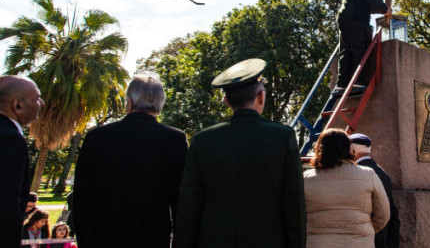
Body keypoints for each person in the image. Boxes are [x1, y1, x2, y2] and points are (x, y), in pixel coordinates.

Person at [173, 59, 306, 248]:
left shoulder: (203, 141)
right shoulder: (282, 137)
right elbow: (294, 207)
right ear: (261, 97)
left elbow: (188, 208)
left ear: (227, 101)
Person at [73, 77, 188, 248]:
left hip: (101, 235)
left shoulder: (97, 137)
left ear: (129, 102)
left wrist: (83, 238)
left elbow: (81, 196)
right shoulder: (175, 140)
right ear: (160, 104)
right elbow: (180, 198)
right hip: (152, 236)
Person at [304, 129, 390, 247]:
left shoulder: (305, 179)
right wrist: (364, 230)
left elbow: (296, 216)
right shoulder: (368, 175)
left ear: (319, 149)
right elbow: (383, 215)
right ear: (349, 148)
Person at [336, 0, 392, 91]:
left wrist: (378, 9)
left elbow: (364, 2)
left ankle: (341, 84)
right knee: (361, 49)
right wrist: (385, 9)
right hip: (357, 18)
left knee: (346, 51)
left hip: (344, 18)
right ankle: (358, 82)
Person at [0, 76, 44, 248]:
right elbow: (6, 204)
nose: (42, 102)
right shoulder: (10, 139)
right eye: (36, 98)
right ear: (17, 105)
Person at [349, 133, 400, 248]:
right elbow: (392, 213)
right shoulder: (383, 173)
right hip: (382, 239)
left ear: (352, 150)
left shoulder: (356, 173)